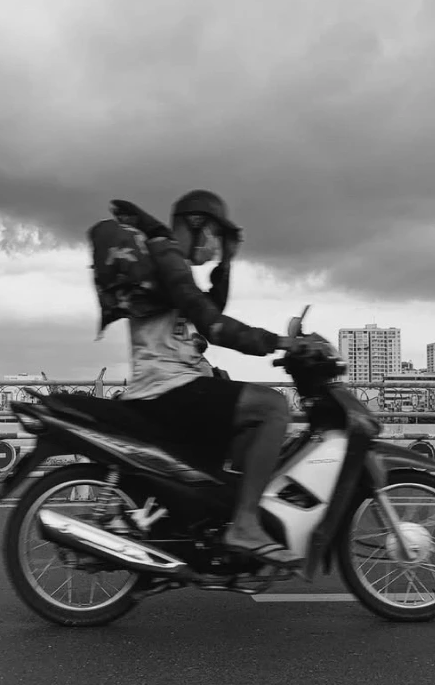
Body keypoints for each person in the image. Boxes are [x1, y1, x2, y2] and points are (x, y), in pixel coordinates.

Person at [109, 190, 299, 567]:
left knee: (245, 437)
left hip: (176, 384)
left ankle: (219, 527)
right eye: (214, 234)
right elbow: (212, 323)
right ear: (196, 225)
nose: (214, 245)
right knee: (274, 407)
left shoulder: (168, 257)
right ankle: (244, 525)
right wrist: (278, 342)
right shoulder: (165, 255)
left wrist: (226, 262)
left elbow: (206, 308)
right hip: (168, 387)